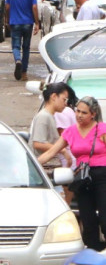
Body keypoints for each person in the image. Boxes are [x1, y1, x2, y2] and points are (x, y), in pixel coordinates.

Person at [38, 97, 106, 250]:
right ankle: (93, 253)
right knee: (87, 221)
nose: (79, 115)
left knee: (105, 218)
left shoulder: (102, 129)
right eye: (77, 111)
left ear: (93, 114)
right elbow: (51, 153)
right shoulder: (71, 131)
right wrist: (30, 166)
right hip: (83, 178)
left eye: (84, 112)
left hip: (103, 176)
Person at [29, 83, 74, 173]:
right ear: (54, 96)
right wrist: (62, 150)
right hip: (42, 166)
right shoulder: (44, 116)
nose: (65, 104)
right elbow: (38, 143)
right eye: (63, 99)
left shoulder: (50, 116)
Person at [5, 0, 39, 81]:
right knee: (26, 47)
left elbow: (7, 7)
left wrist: (7, 20)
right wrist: (37, 23)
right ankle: (24, 73)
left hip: (15, 22)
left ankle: (18, 60)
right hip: (28, 23)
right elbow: (34, 7)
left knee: (15, 46)